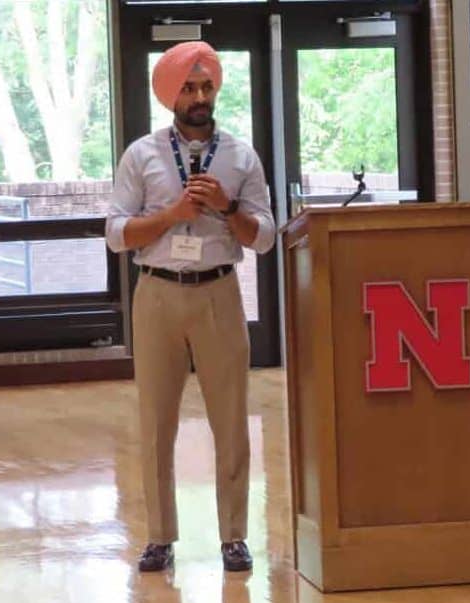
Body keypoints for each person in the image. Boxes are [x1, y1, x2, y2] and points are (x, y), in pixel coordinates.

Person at [105, 41, 275, 573]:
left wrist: (225, 209)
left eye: (206, 87)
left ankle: (233, 537)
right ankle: (159, 536)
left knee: (230, 418)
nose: (199, 97)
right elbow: (115, 234)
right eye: (189, 88)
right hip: (156, 292)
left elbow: (265, 236)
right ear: (170, 95)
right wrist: (172, 213)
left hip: (219, 292)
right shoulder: (142, 155)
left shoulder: (241, 156)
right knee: (156, 419)